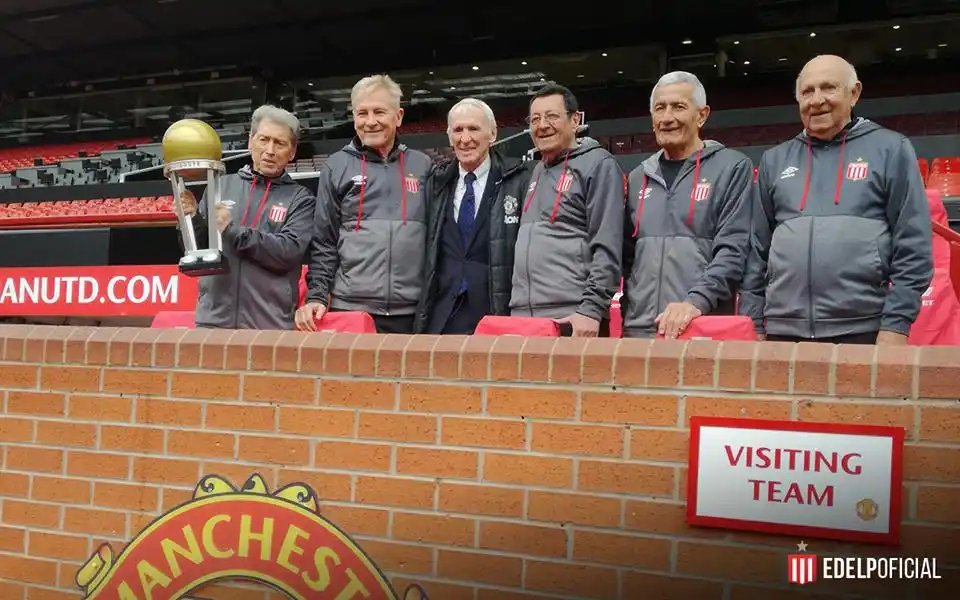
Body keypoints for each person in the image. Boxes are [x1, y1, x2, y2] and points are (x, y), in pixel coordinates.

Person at [739, 55, 933, 344]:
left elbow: (913, 245)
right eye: (807, 91)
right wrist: (753, 321)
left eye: (828, 88)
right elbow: (756, 251)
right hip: (783, 330)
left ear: (854, 93)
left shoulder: (891, 149)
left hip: (863, 329)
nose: (816, 100)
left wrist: (896, 325)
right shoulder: (774, 160)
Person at [295, 75, 433, 334]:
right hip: (351, 308)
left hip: (413, 311)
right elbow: (324, 242)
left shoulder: (423, 166)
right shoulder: (336, 166)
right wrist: (317, 295)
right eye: (362, 113)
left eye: (379, 112)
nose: (370, 121)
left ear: (399, 116)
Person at [621, 71, 755, 339]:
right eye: (660, 108)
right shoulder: (638, 177)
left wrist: (696, 302)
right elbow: (628, 256)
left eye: (678, 107)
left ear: (702, 115)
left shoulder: (731, 168)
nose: (667, 117)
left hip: (699, 326)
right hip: (639, 328)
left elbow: (733, 250)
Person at [179, 104, 315, 330]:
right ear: (250, 141)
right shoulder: (220, 186)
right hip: (213, 322)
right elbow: (199, 251)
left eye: (279, 143)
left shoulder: (301, 199)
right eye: (264, 140)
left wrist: (231, 229)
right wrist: (191, 218)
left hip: (269, 325)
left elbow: (287, 253)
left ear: (292, 152)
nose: (270, 150)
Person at [508, 84, 623, 337]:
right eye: (535, 119)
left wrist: (591, 309)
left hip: (572, 317)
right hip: (525, 316)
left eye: (552, 116)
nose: (542, 125)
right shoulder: (537, 170)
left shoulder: (599, 165)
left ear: (574, 120)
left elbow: (608, 244)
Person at [415, 98, 531, 334]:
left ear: (493, 134)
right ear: (449, 137)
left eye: (474, 129)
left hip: (494, 312)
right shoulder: (435, 184)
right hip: (442, 315)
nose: (465, 138)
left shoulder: (519, 180)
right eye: (458, 130)